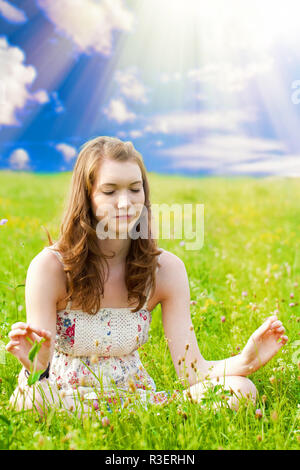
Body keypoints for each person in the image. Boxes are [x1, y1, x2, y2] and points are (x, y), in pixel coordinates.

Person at [6, 136, 288, 417]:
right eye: (109, 191)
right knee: (32, 400)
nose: (125, 202)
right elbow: (37, 375)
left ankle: (123, 417)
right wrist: (35, 364)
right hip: (62, 396)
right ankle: (126, 417)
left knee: (242, 389)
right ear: (87, 196)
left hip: (135, 400)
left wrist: (245, 360)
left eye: (134, 189)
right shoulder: (51, 267)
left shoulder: (166, 270)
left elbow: (193, 372)